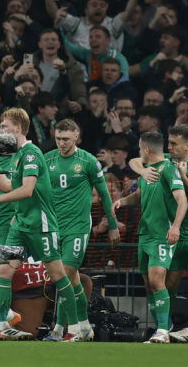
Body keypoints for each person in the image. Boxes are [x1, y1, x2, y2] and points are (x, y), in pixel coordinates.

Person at [0, 108, 84, 342]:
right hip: (20, 224)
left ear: (18, 128)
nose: (1, 131)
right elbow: (8, 186)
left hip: (40, 224)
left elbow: (27, 190)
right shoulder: (16, 155)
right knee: (3, 271)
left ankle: (77, 327)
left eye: (5, 127)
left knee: (58, 275)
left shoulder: (30, 153)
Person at [130, 125, 188, 345]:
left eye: (174, 144)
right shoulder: (166, 160)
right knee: (166, 283)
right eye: (168, 143)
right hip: (175, 233)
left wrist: (184, 177)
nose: (169, 147)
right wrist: (142, 171)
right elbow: (136, 160)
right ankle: (165, 328)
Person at [43, 119, 120, 341]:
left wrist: (112, 225)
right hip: (54, 227)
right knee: (73, 280)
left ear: (76, 136)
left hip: (77, 227)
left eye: (66, 139)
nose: (61, 143)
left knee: (64, 275)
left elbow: (104, 194)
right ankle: (85, 326)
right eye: (58, 138)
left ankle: (64, 329)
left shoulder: (88, 161)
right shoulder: (47, 159)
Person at [111, 131, 188, 343]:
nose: (138, 152)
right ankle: (164, 326)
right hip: (145, 234)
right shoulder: (147, 172)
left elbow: (182, 200)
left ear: (146, 149)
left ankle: (162, 330)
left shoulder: (168, 169)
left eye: (139, 148)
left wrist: (176, 226)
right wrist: (122, 202)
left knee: (156, 280)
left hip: (161, 234)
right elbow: (139, 195)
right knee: (148, 284)